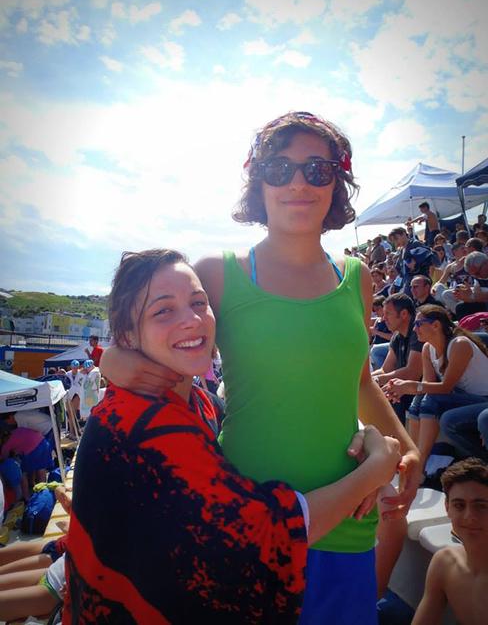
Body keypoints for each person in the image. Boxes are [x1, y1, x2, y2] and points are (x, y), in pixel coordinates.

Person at [100, 112, 420, 624]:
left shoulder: (357, 277)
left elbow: (360, 380)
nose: (298, 182)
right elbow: (158, 338)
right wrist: (115, 362)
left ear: (336, 182)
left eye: (317, 169)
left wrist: (406, 447)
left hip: (347, 518)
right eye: (279, 168)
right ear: (258, 181)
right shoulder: (218, 274)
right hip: (247, 517)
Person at [65, 248, 401, 623]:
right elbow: (266, 536)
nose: (191, 320)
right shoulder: (144, 425)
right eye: (163, 311)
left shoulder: (198, 404)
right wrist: (375, 470)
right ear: (127, 335)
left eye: (199, 303)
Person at [385, 305, 488, 472]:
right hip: (466, 398)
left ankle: (420, 464)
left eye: (419, 324)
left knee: (441, 412)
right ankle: (412, 457)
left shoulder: (459, 344)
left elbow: (445, 387)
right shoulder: (428, 348)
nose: (414, 329)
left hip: (483, 399)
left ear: (436, 325)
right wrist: (402, 389)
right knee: (420, 401)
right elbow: (428, 386)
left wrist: (411, 386)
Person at [412, 458, 488, 625]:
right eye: (459, 505)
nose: (469, 517)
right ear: (447, 508)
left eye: (481, 506)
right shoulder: (445, 563)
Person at [372, 293, 423, 424]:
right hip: (409, 387)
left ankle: (396, 436)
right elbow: (385, 369)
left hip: (423, 388)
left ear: (404, 314)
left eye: (388, 314)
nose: (383, 318)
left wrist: (375, 381)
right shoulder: (397, 335)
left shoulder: (419, 332)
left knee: (393, 395)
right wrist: (364, 378)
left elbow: (412, 373)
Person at [388, 226, 435, 296]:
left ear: (403, 234)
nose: (396, 242)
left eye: (396, 239)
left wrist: (416, 263)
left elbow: (430, 263)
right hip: (407, 284)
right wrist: (395, 284)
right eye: (394, 241)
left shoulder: (415, 244)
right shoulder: (401, 251)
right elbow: (401, 273)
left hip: (419, 284)